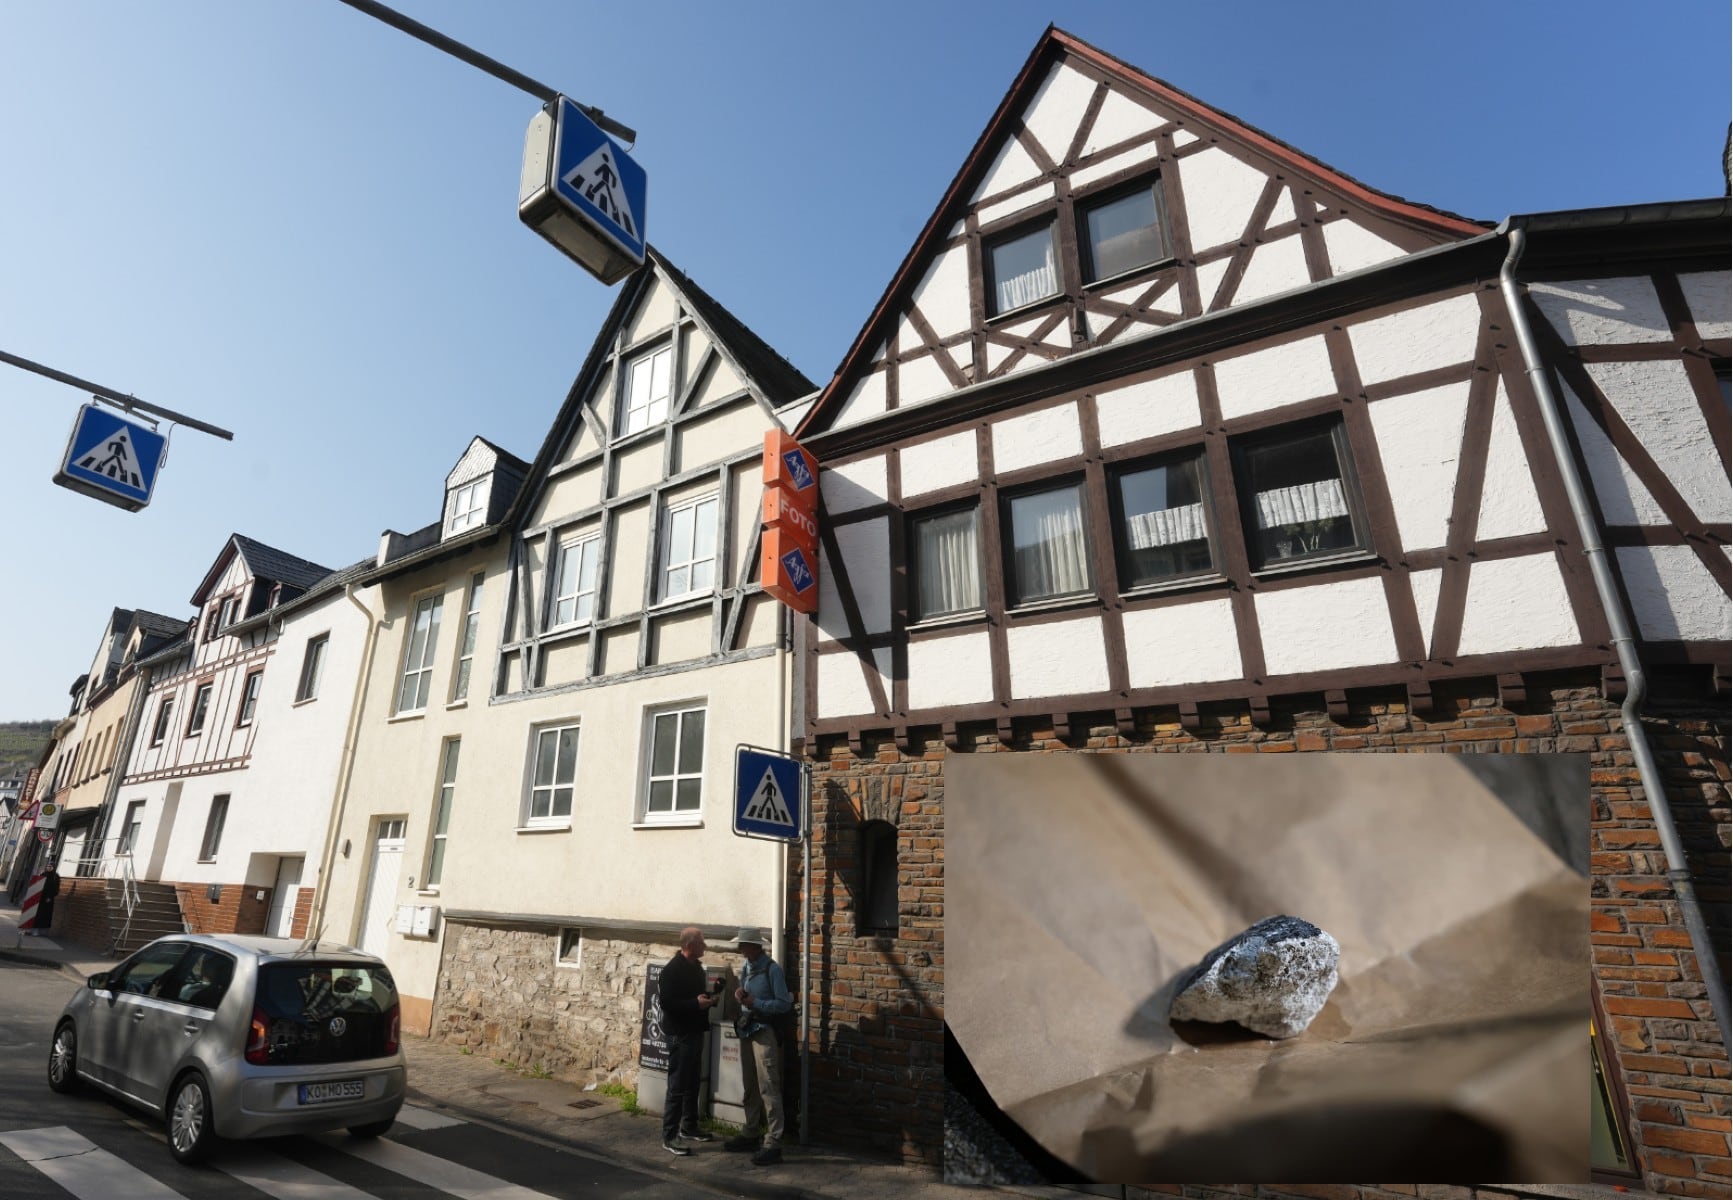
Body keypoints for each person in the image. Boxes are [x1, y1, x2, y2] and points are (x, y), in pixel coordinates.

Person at [725, 929, 791, 1166]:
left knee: (768, 1086)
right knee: (750, 1085)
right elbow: (746, 996)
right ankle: (751, 1131)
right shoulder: (747, 966)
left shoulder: (773, 970)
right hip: (747, 1029)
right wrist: (740, 994)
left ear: (754, 946)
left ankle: (773, 1142)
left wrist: (757, 1002)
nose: (740, 949)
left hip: (764, 1032)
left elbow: (784, 1004)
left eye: (743, 945)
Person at [656, 926, 717, 1156]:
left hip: (695, 1031)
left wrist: (709, 998)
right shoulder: (672, 970)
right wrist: (695, 1004)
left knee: (693, 1082)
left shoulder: (697, 967)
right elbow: (667, 1003)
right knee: (677, 1086)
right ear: (690, 945)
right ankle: (669, 1136)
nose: (705, 945)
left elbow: (696, 996)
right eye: (701, 942)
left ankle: (689, 1126)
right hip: (680, 1034)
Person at [30, 862, 59, 936]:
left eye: (51, 866)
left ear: (54, 867)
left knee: (45, 915)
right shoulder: (43, 874)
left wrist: (50, 897)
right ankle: (35, 930)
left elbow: (56, 888)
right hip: (40, 897)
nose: (49, 867)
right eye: (48, 866)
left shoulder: (55, 876)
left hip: (48, 899)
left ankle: (43, 931)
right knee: (37, 914)